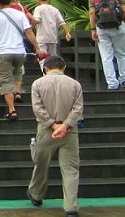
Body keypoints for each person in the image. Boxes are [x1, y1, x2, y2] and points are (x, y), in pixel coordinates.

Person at [27, 56, 84, 217]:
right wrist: (65, 125)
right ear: (64, 67)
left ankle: (36, 194)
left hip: (46, 130)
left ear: (45, 68)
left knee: (41, 164)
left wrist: (53, 125)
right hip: (70, 131)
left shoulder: (37, 84)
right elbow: (78, 109)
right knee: (71, 169)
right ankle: (71, 207)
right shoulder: (74, 84)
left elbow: (37, 108)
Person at [0, 0, 41, 121]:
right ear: (10, 0)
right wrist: (37, 47)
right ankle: (17, 93)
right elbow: (28, 32)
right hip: (20, 52)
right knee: (17, 73)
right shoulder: (20, 15)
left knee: (5, 80)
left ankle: (12, 109)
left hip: (4, 52)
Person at [32, 0, 72, 71]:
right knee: (53, 60)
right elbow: (62, 22)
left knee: (42, 59)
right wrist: (67, 32)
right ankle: (54, 75)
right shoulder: (54, 9)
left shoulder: (38, 8)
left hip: (42, 37)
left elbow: (37, 20)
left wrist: (30, 21)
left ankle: (45, 76)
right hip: (53, 38)